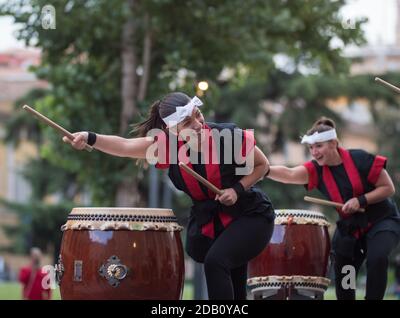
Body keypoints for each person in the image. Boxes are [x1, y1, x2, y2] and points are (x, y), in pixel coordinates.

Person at [63, 92, 275, 300]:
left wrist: (236, 189)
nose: (198, 124)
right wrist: (89, 137)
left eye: (198, 115)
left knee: (215, 262)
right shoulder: (168, 147)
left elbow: (262, 165)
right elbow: (125, 146)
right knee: (235, 288)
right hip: (215, 222)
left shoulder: (228, 138)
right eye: (187, 122)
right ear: (172, 130)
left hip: (250, 215)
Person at [265, 117, 400, 300]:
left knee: (377, 258)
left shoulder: (360, 159)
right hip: (350, 228)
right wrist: (263, 170)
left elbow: (388, 188)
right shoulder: (316, 170)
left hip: (382, 221)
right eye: (311, 148)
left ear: (334, 143)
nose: (314, 152)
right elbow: (289, 174)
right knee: (346, 269)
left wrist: (360, 200)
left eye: (318, 146)